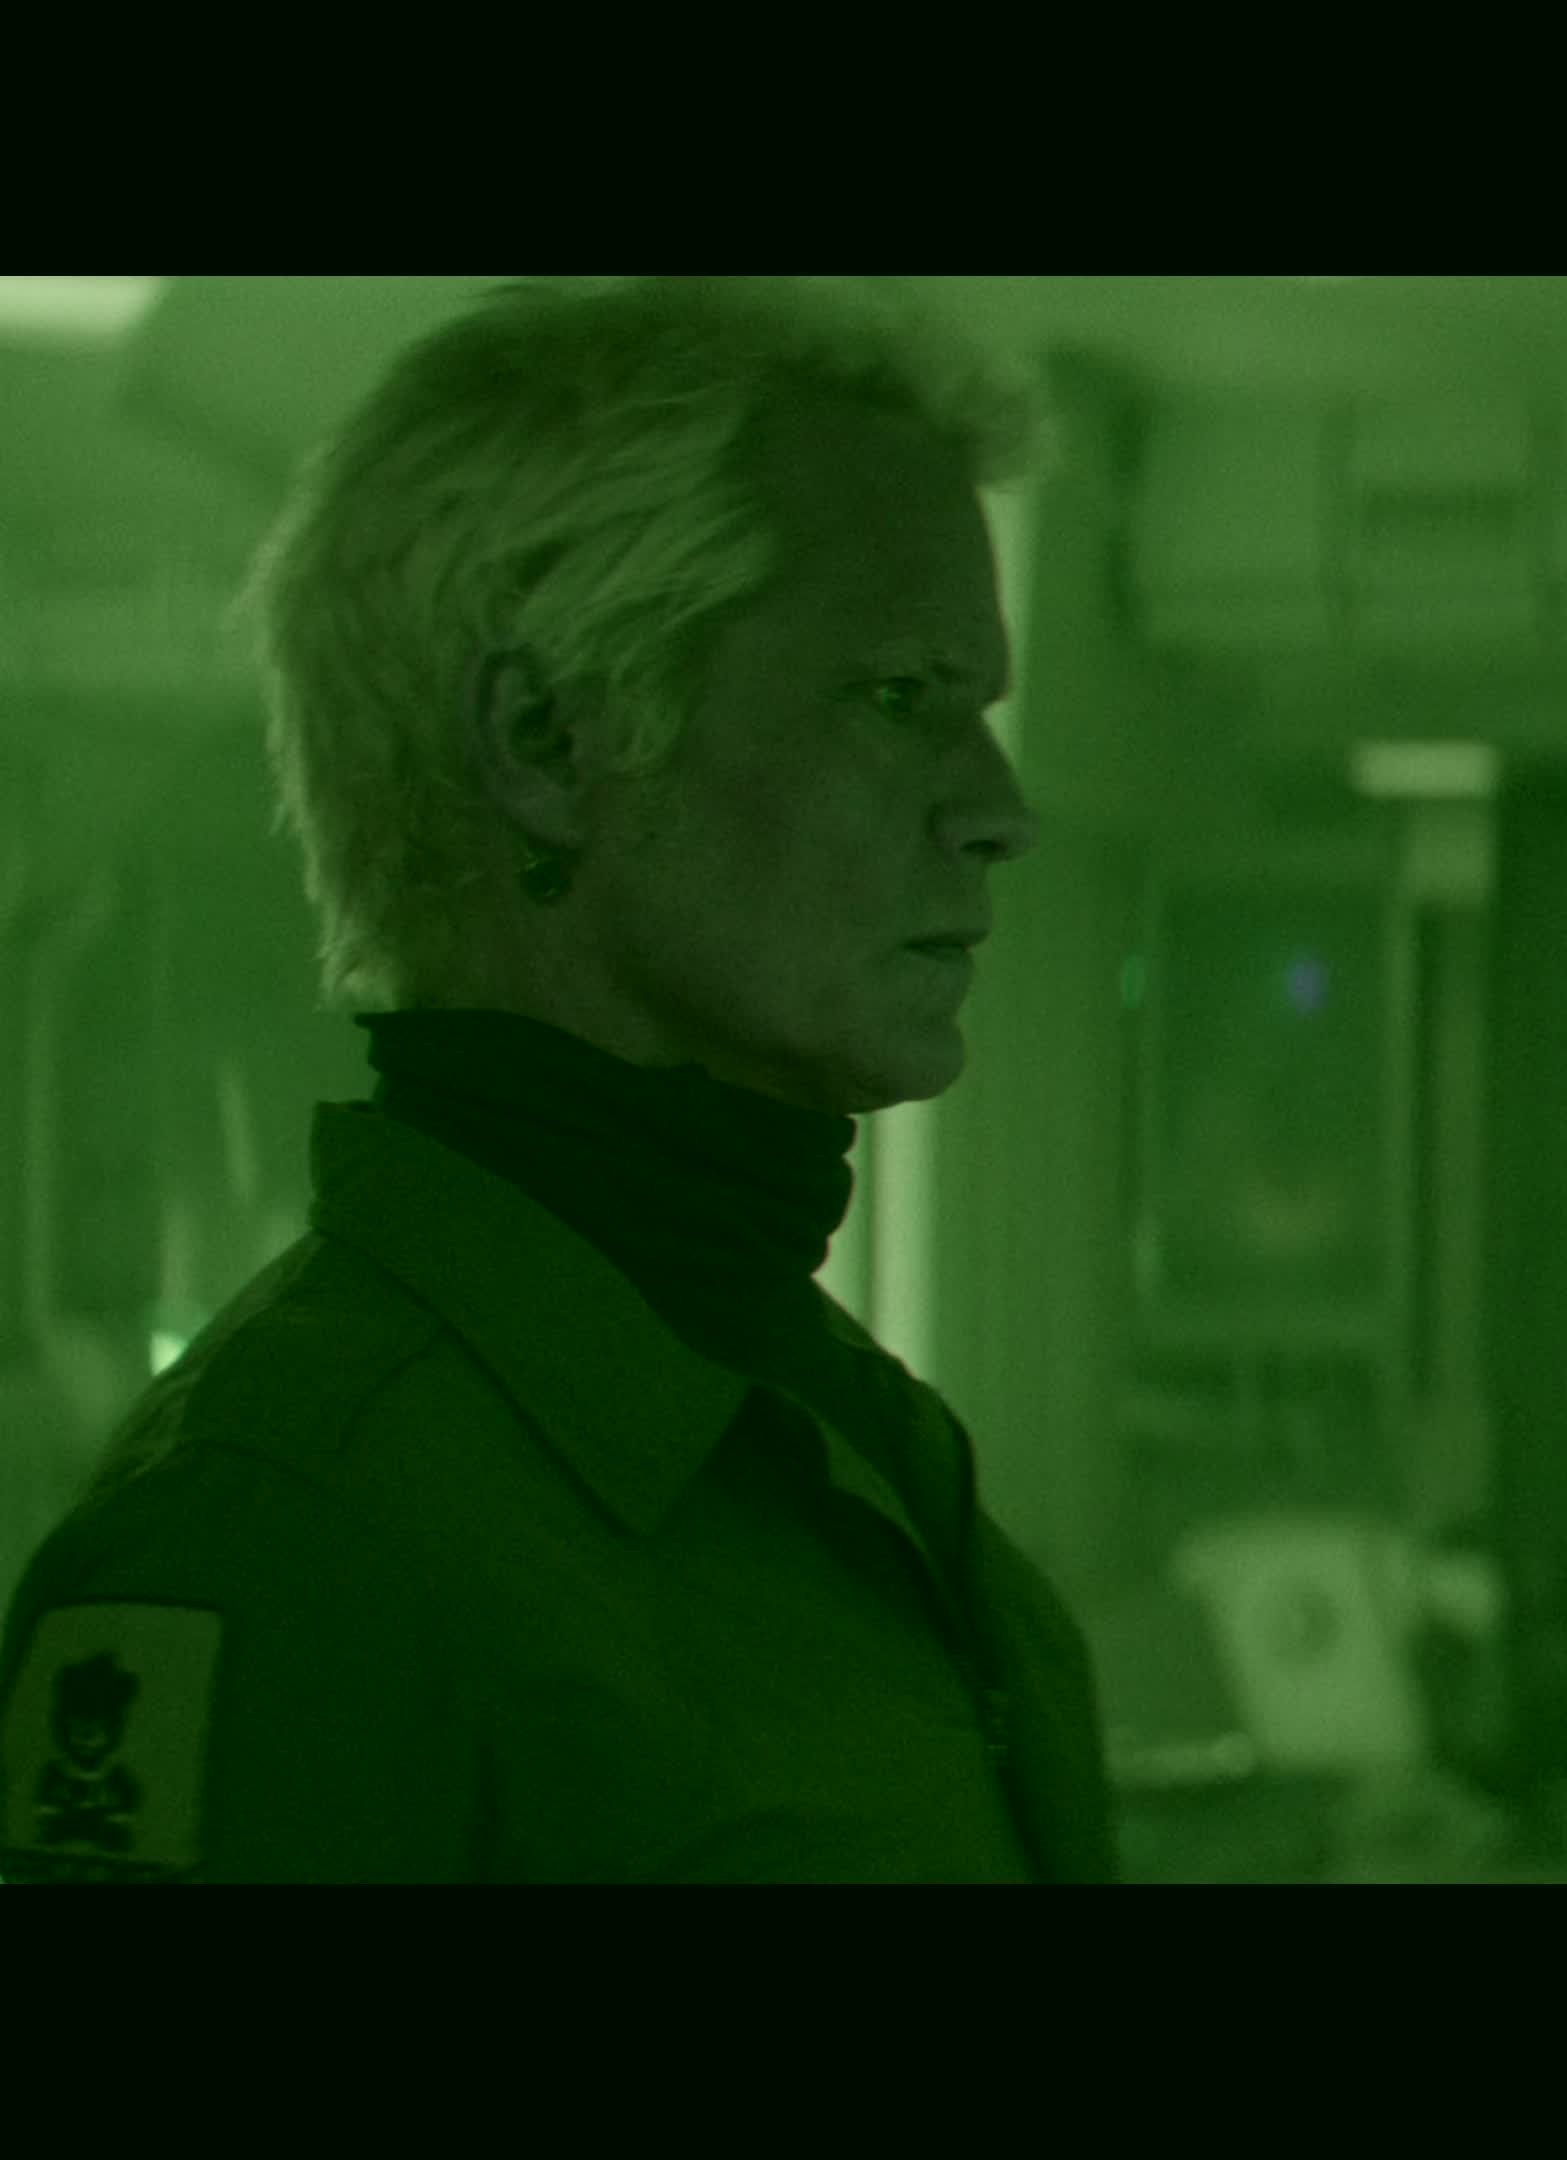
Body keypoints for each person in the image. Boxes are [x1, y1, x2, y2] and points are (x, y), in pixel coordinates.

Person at [0, 278, 1116, 1881]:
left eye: (979, 714)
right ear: (542, 740)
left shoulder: (836, 1433)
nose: (1000, 811)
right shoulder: (291, 1535)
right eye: (897, 699)